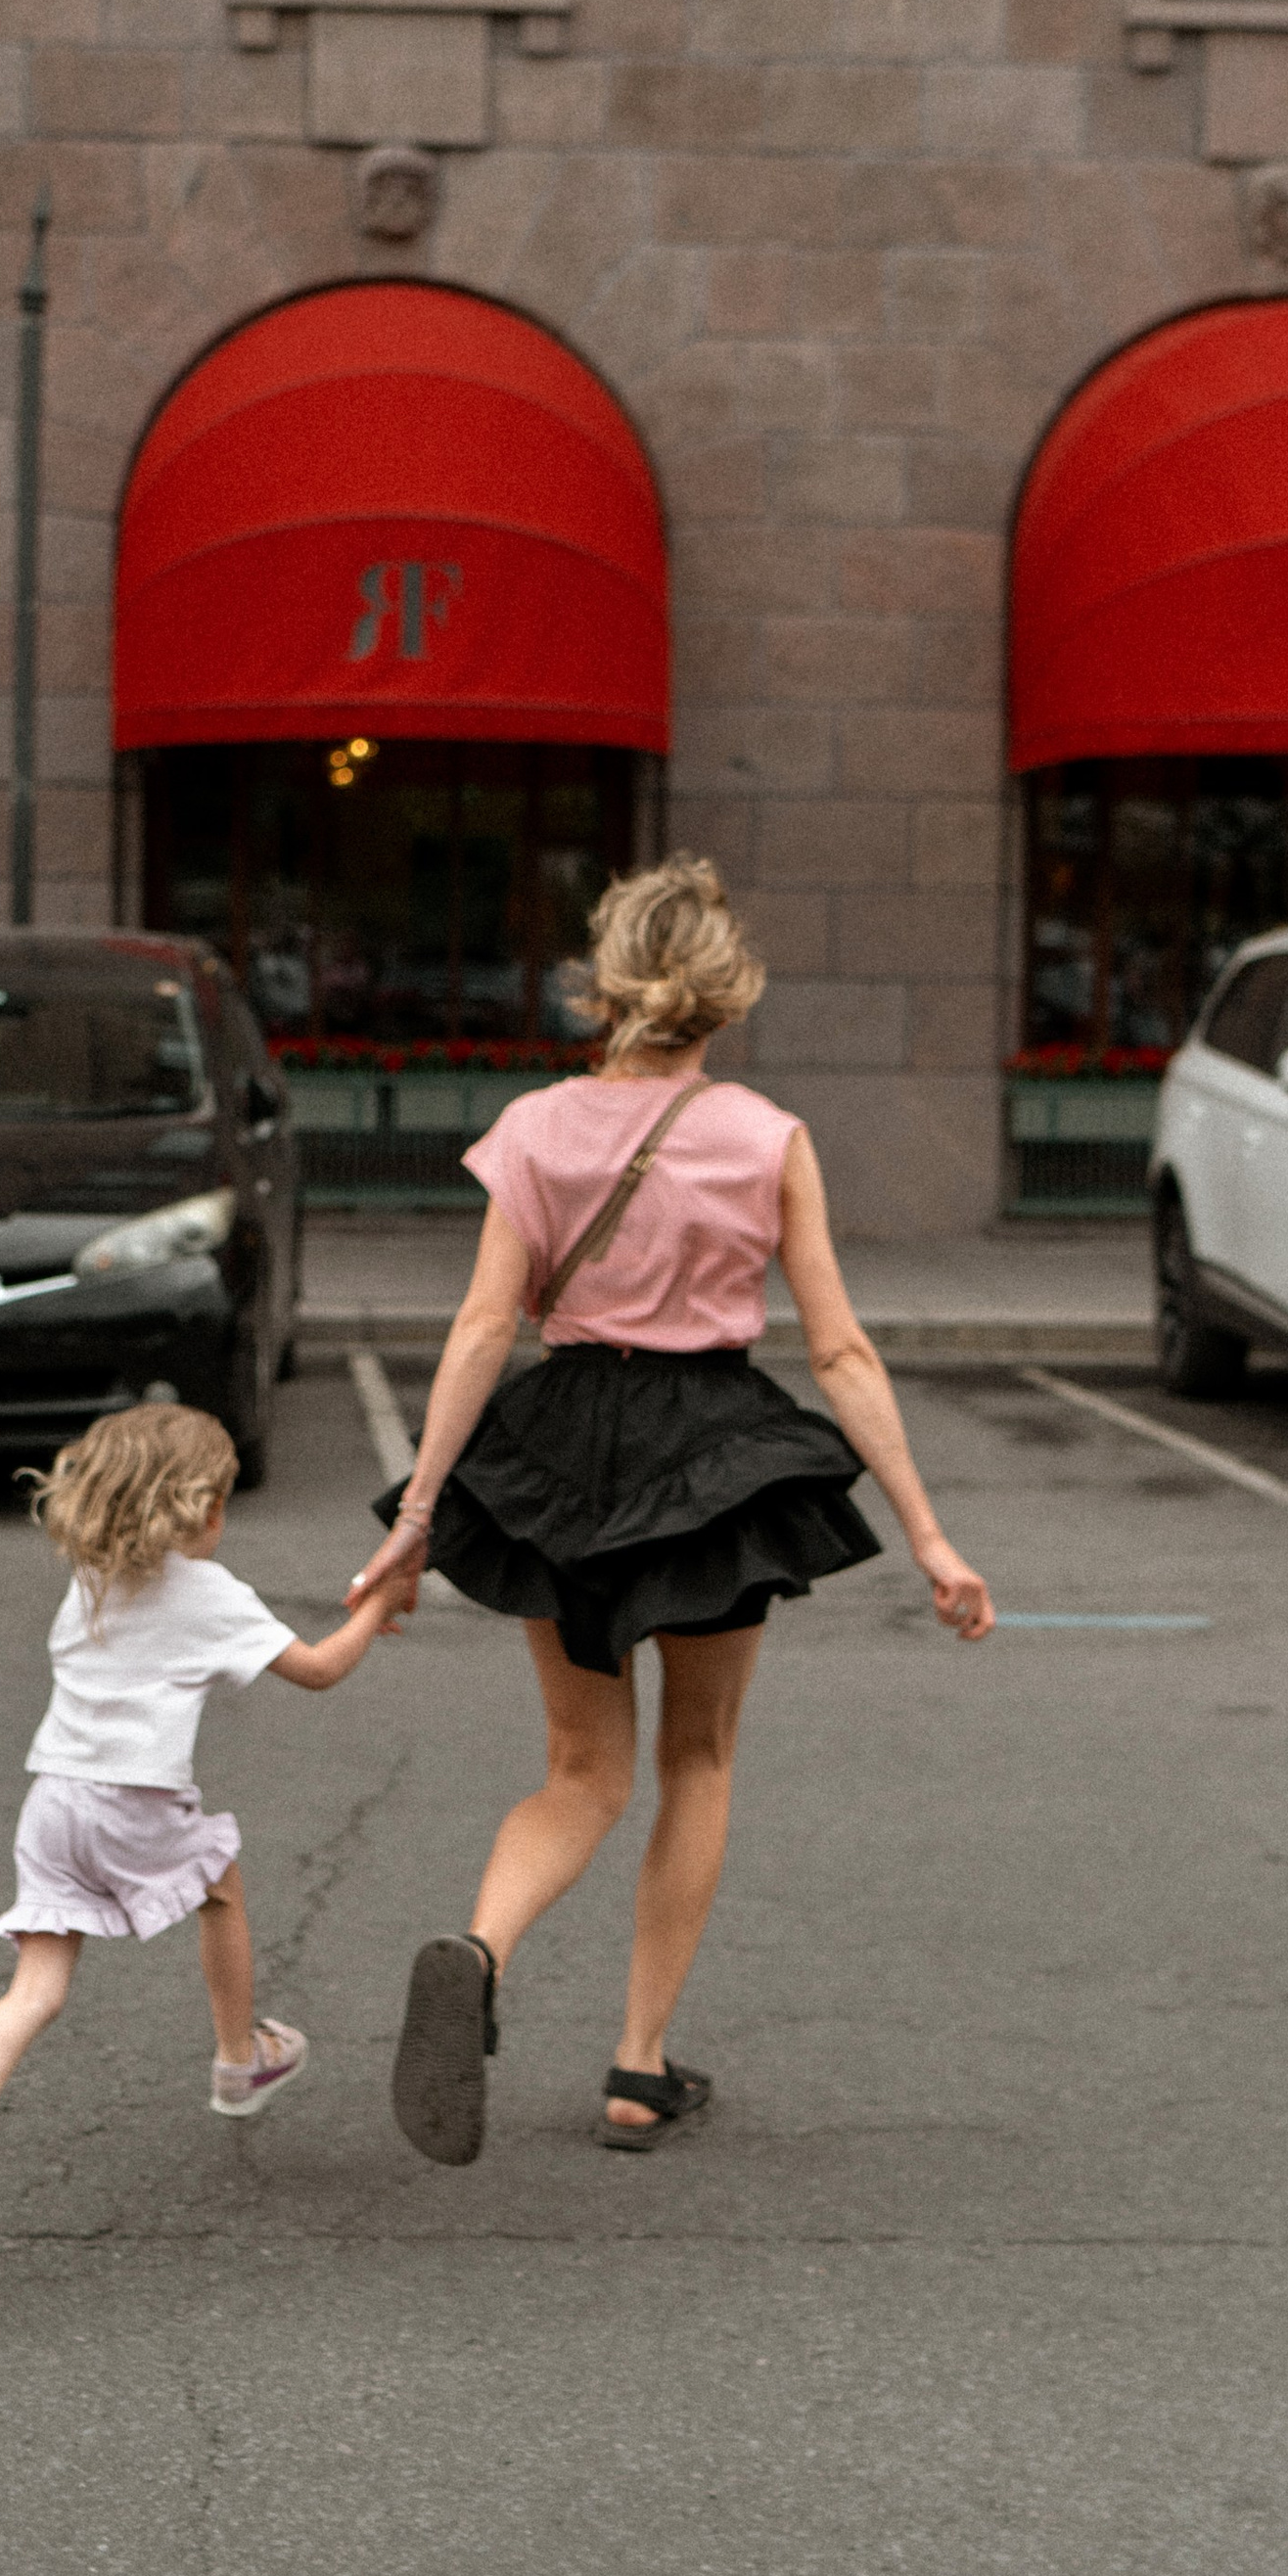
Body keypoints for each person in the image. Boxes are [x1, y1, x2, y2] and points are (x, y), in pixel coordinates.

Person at [351, 856, 993, 2168]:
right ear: (724, 1000)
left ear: (608, 987)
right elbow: (841, 1351)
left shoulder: (530, 1127)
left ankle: (480, 1949)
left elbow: (484, 1326)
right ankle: (639, 2065)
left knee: (580, 1771)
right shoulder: (767, 1137)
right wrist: (928, 1533)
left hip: (564, 1436)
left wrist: (419, 1512)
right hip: (713, 1446)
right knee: (694, 1758)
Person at [0, 1401, 408, 2260]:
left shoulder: (91, 1575)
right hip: (132, 1803)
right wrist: (378, 1607)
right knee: (221, 1882)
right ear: (197, 1508)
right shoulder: (207, 1591)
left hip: (53, 1802)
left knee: (35, 1989)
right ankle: (239, 2057)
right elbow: (317, 1670)